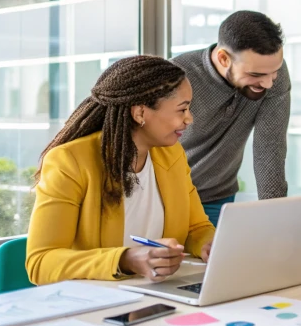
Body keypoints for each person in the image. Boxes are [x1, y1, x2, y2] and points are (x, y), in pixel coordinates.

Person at [27, 56, 214, 285]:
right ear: (140, 113)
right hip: (95, 302)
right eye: (182, 109)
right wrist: (125, 259)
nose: (189, 118)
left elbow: (196, 227)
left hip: (156, 292)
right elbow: (41, 262)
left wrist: (209, 243)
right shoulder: (70, 162)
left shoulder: (171, 155)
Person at [172, 11, 291, 226]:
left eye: (273, 73)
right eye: (255, 75)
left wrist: (275, 219)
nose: (268, 84)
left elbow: (270, 147)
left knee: (218, 259)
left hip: (218, 197)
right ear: (223, 58)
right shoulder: (177, 76)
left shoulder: (273, 73)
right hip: (167, 198)